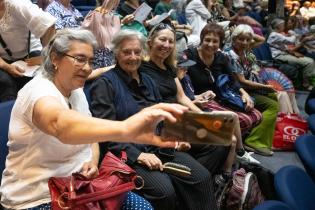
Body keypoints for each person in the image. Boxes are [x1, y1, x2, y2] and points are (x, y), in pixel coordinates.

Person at [0, 28, 187, 210]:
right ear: (55, 58)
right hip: (38, 196)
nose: (88, 68)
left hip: (81, 187)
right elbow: (60, 125)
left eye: (91, 61)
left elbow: (92, 139)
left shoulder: (76, 90)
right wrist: (125, 129)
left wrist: (92, 161)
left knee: (142, 207)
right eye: (80, 59)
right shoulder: (38, 90)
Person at [90, 29, 217, 210]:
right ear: (117, 53)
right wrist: (139, 155)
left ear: (143, 53)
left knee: (201, 177)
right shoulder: (104, 84)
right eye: (127, 52)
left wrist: (174, 139)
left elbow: (161, 119)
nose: (133, 57)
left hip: (159, 147)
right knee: (164, 190)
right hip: (128, 153)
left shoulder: (148, 80)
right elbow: (105, 131)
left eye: (137, 52)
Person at [141, 23, 259, 188]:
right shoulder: (141, 67)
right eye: (162, 40)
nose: (166, 45)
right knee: (225, 138)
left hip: (180, 117)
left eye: (170, 41)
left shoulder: (168, 67)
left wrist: (203, 116)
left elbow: (182, 97)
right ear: (150, 41)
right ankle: (197, 183)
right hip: (165, 124)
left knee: (228, 137)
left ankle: (205, 181)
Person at [225, 24, 280, 156]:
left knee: (273, 96)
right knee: (272, 106)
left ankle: (264, 138)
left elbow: (261, 39)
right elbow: (242, 81)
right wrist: (266, 86)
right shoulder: (231, 55)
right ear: (233, 39)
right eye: (241, 39)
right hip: (239, 90)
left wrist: (246, 31)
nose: (244, 42)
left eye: (247, 40)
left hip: (250, 86)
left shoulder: (244, 49)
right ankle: (254, 141)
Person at [0, 0, 56, 102]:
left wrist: (45, 56)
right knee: (4, 83)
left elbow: (48, 25)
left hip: (30, 54)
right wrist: (7, 67)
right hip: (3, 60)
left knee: (39, 81)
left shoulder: (18, 4)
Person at [267, 18, 315, 90]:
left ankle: (307, 82)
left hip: (284, 54)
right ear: (278, 26)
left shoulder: (278, 34)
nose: (284, 26)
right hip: (279, 56)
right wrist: (294, 35)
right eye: (282, 25)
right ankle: (306, 85)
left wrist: (293, 53)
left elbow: (285, 47)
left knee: (309, 60)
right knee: (309, 62)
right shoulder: (274, 35)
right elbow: (291, 41)